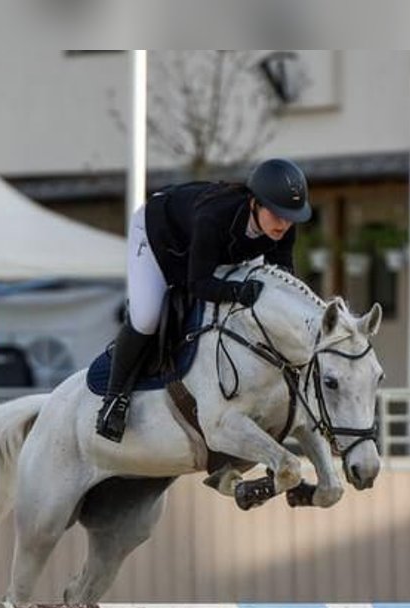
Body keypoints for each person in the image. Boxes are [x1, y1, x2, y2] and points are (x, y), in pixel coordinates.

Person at [95, 157, 313, 442]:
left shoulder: (282, 226)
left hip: (207, 249)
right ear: (254, 203)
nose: (284, 223)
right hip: (158, 237)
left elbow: (283, 277)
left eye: (290, 216)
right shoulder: (215, 216)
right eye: (278, 214)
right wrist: (237, 293)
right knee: (147, 316)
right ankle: (114, 399)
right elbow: (198, 284)